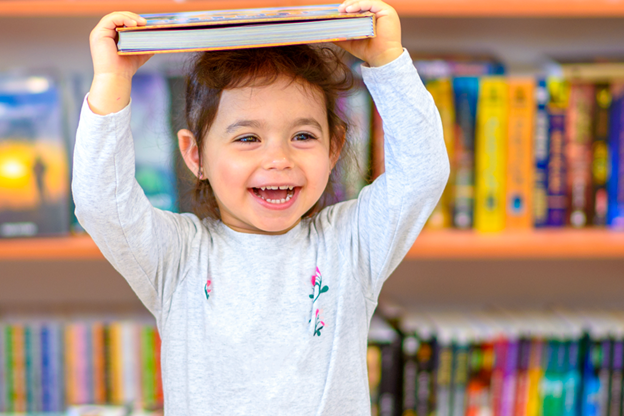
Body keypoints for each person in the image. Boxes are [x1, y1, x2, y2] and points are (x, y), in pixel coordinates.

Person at [72, 0, 449, 413]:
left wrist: (386, 59)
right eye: (248, 139)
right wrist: (111, 79)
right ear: (195, 156)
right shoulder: (178, 257)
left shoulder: (350, 245)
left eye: (303, 136)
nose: (278, 159)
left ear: (333, 149)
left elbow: (422, 174)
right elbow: (100, 202)